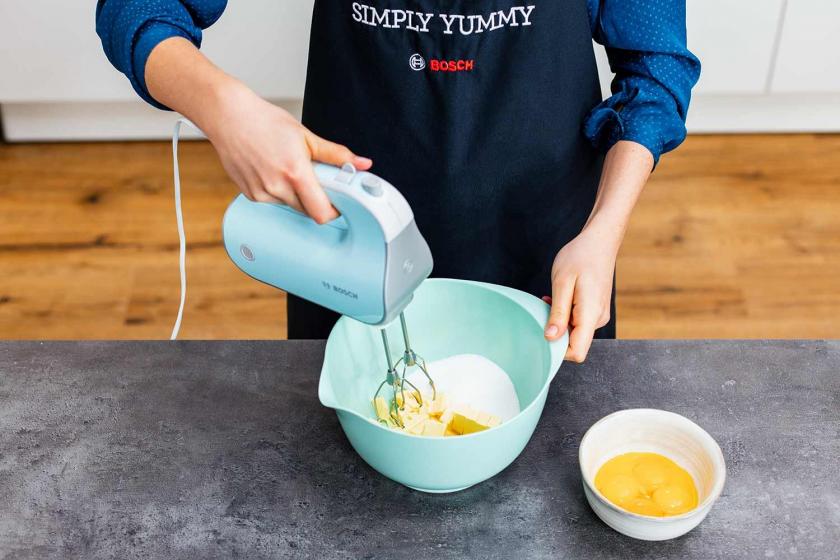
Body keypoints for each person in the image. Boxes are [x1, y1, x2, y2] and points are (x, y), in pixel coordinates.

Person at [96, 1, 700, 361]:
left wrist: (605, 230)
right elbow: (138, 8)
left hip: (548, 245)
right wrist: (226, 110)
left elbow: (655, 68)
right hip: (350, 237)